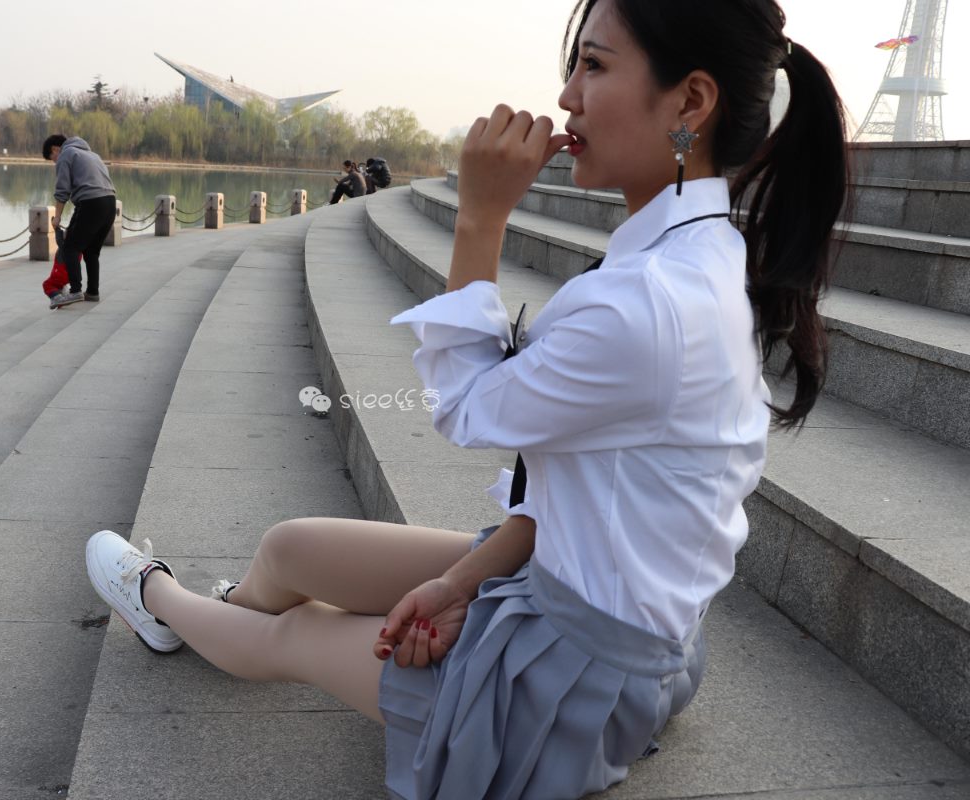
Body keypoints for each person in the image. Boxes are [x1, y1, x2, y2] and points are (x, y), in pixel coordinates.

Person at [84, 0, 847, 796]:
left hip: (561, 683)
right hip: (606, 608)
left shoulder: (648, 304)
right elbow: (593, 497)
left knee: (300, 633)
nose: (567, 97)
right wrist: (459, 584)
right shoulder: (699, 254)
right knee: (287, 550)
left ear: (690, 103)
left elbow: (465, 405)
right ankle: (234, 611)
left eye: (594, 65)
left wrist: (481, 217)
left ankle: (158, 599)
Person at [42, 134, 117, 308]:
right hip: (110, 202)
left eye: (52, 158)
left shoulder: (66, 154)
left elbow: (62, 190)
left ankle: (76, 291)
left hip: (91, 202)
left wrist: (57, 217)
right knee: (92, 251)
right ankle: (92, 292)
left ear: (55, 149)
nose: (55, 162)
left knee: (70, 247)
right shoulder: (93, 155)